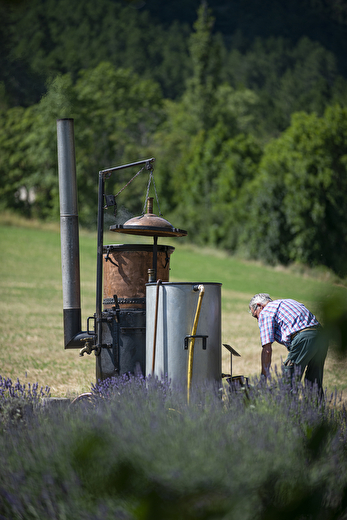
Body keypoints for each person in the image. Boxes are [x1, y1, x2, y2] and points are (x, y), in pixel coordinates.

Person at [249, 293, 329, 392]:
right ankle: (316, 407)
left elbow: (267, 350)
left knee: (288, 382)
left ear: (259, 306)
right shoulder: (286, 302)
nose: (258, 319)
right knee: (313, 383)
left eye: (255, 315)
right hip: (322, 337)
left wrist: (263, 378)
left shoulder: (266, 312)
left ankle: (288, 406)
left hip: (304, 338)